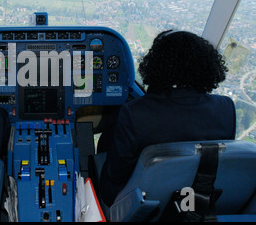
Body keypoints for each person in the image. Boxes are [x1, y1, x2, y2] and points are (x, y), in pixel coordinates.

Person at [98, 30, 236, 207]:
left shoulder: (135, 113)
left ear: (155, 64)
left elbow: (114, 180)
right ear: (207, 64)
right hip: (200, 205)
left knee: (98, 160)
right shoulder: (225, 108)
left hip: (142, 210)